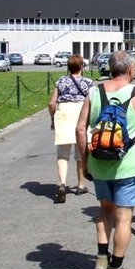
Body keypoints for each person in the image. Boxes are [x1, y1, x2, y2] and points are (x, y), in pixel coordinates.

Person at [75, 50, 135, 269]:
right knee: (124, 217)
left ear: (110, 69)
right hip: (129, 166)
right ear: (132, 70)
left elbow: (81, 130)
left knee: (105, 212)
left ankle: (102, 258)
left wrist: (85, 161)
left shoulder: (94, 92)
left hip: (99, 164)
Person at [48, 54, 94, 204]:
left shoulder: (61, 81)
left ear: (68, 67)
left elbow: (51, 104)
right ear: (82, 66)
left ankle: (62, 184)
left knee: (63, 153)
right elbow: (94, 102)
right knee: (81, 151)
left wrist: (52, 118)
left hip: (64, 113)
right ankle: (81, 184)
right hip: (81, 112)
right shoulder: (88, 82)